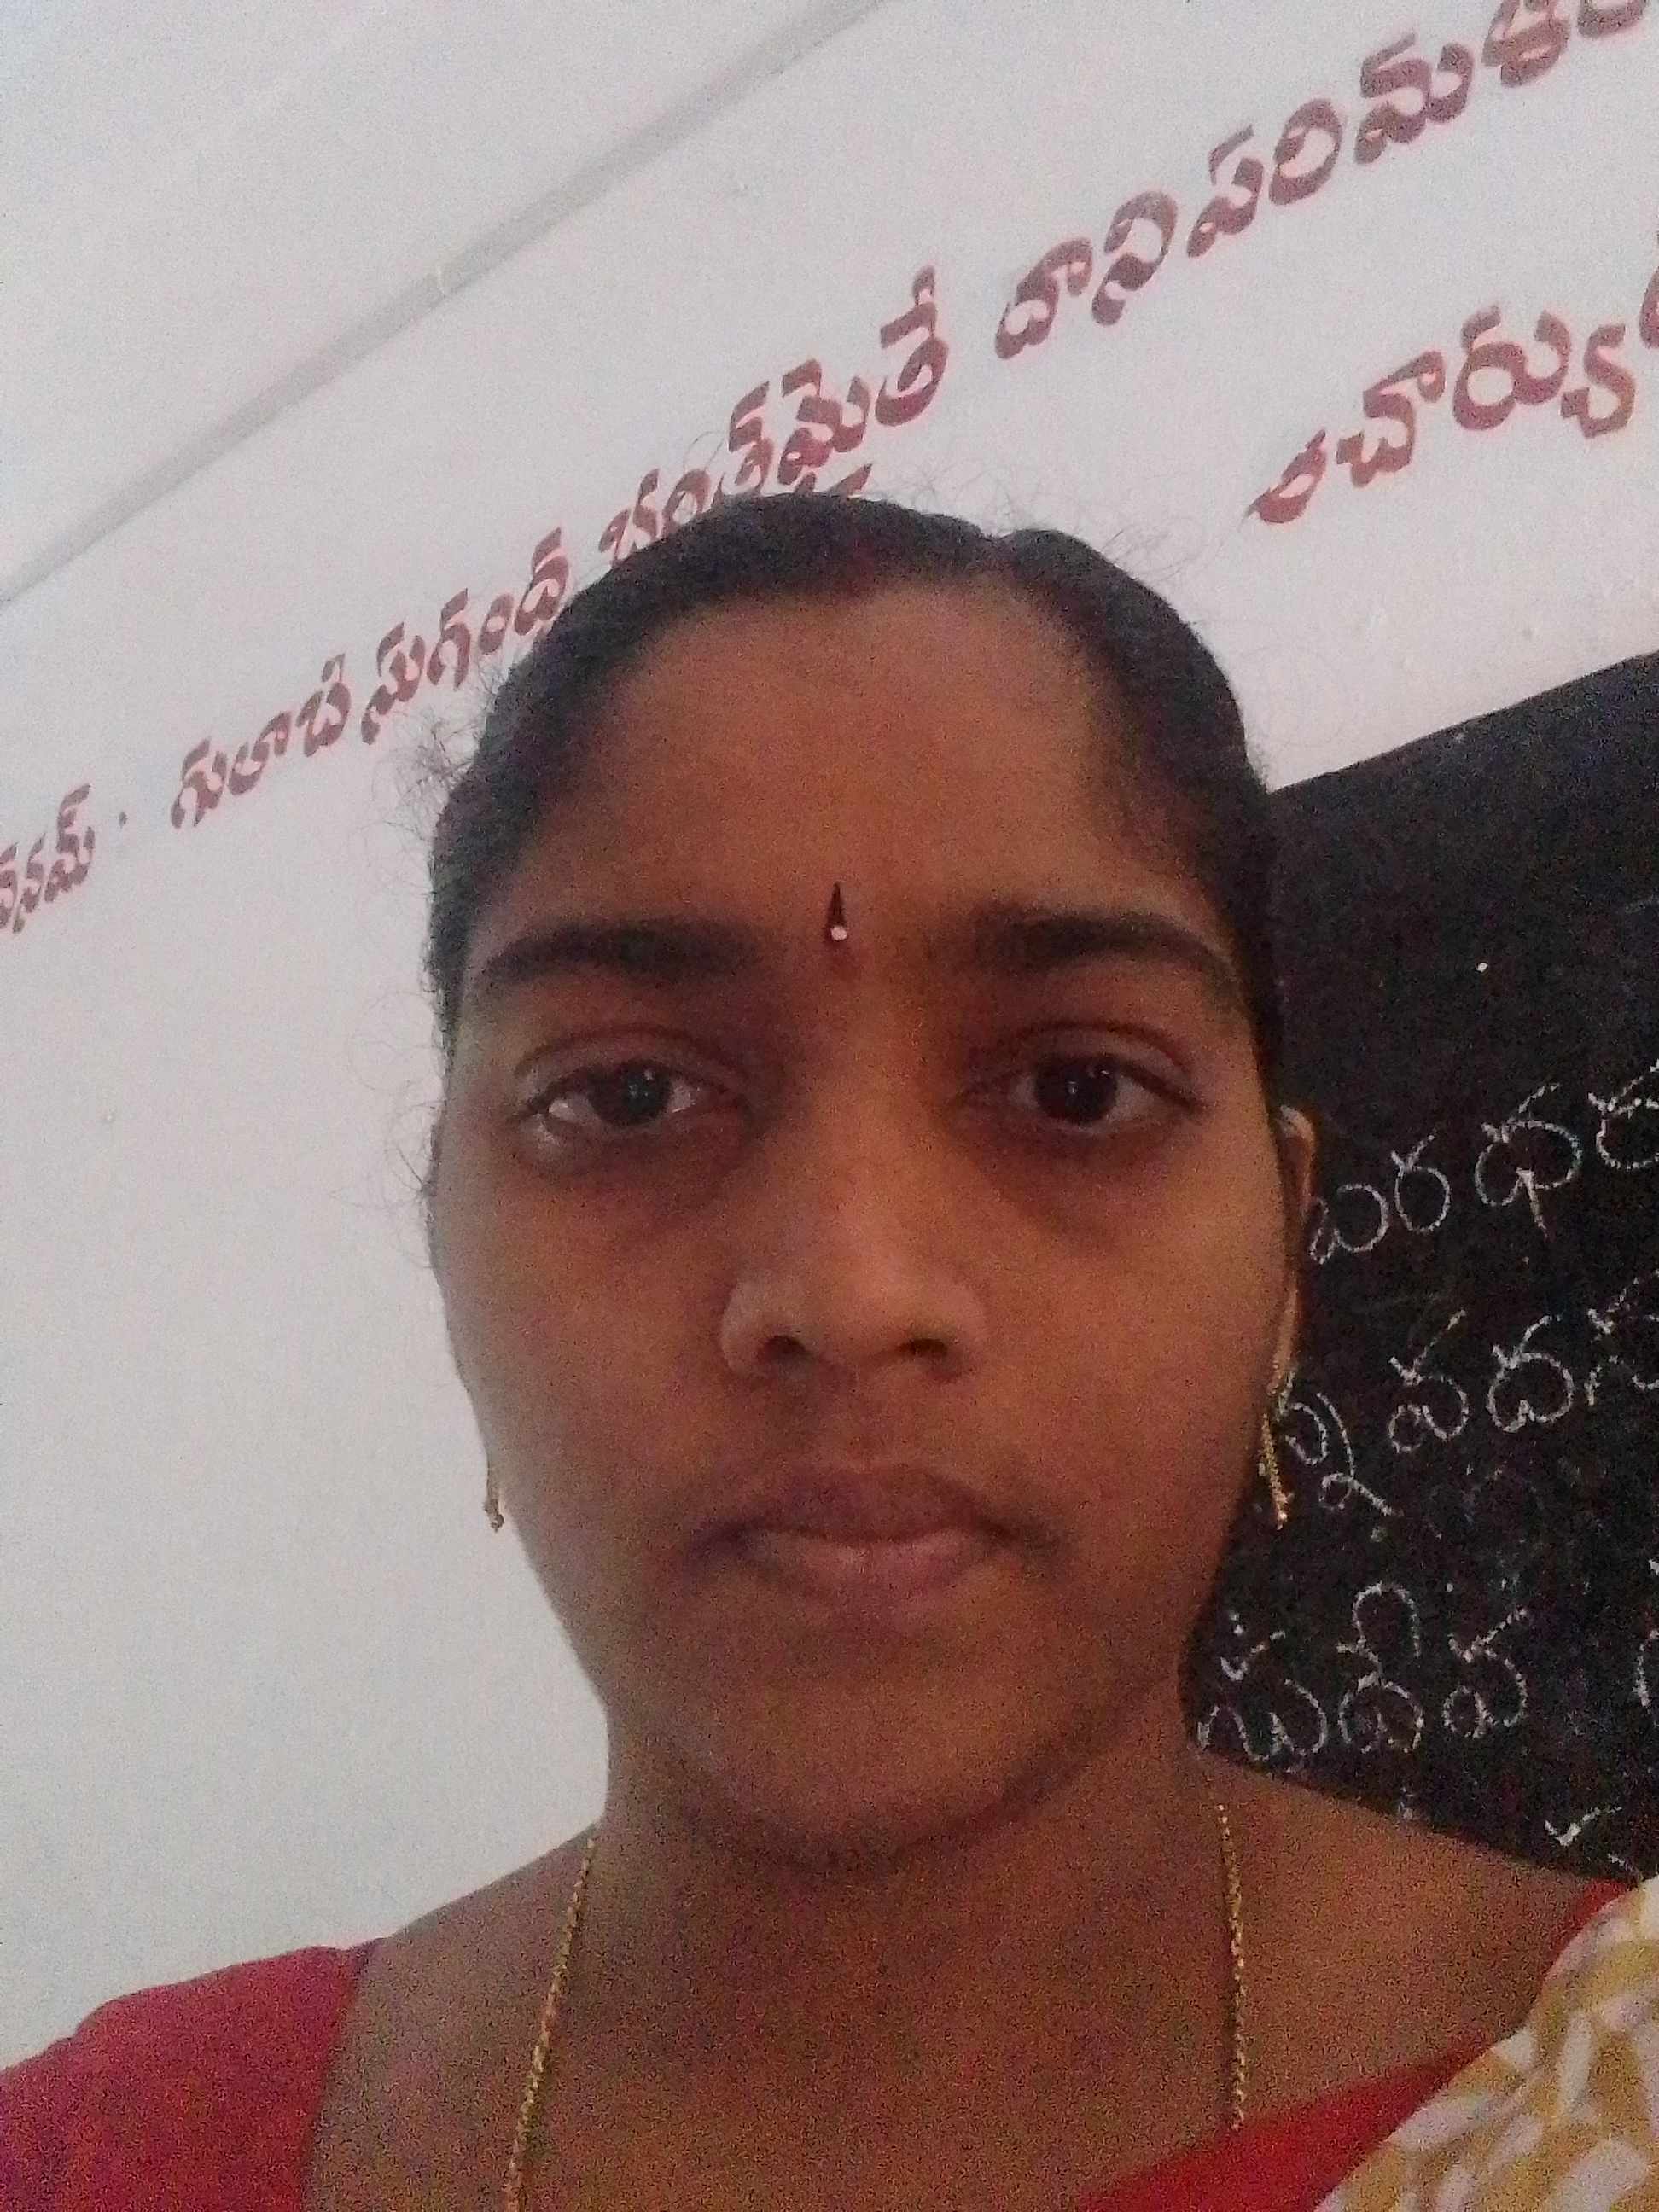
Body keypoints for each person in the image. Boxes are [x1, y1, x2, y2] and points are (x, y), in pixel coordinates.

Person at [3, 493, 1651, 2212]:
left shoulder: (1602, 2102)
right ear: (447, 1255)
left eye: (1076, 1088)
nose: (854, 1292)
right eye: (627, 1095)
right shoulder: (98, 2165)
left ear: (1289, 1257)